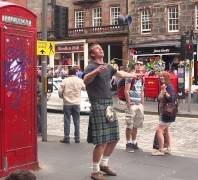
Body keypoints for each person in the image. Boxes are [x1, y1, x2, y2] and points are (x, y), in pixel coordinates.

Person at [83, 43, 139, 180]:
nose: (100, 49)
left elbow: (121, 73)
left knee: (114, 138)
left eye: (101, 48)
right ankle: (95, 171)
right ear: (92, 54)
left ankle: (104, 164)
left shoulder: (108, 66)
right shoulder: (91, 66)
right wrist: (96, 71)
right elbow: (85, 79)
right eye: (97, 48)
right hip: (97, 104)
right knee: (101, 141)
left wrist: (134, 74)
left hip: (108, 103)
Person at [152, 71, 177, 156]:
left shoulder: (169, 86)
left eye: (163, 76)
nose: (161, 78)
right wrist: (162, 91)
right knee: (167, 130)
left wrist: (164, 91)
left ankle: (161, 150)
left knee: (159, 130)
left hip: (167, 113)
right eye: (160, 76)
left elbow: (172, 99)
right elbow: (159, 99)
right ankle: (168, 148)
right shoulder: (164, 86)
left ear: (167, 77)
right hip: (164, 112)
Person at [59, 67, 85, 144]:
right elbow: (84, 88)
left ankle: (66, 138)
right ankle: (77, 138)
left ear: (69, 73)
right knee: (77, 121)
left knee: (67, 121)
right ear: (75, 73)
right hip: (76, 103)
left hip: (67, 103)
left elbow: (60, 91)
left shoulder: (65, 80)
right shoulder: (80, 81)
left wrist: (63, 97)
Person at [124, 60, 144, 153]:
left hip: (139, 104)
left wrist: (142, 103)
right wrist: (128, 102)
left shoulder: (142, 78)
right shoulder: (130, 76)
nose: (139, 66)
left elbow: (142, 91)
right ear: (134, 66)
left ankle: (134, 142)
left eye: (140, 64)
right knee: (129, 125)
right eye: (137, 64)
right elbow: (126, 90)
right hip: (132, 104)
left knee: (136, 125)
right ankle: (128, 143)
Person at [36, 68, 42, 136]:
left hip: (38, 102)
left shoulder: (38, 83)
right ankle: (40, 130)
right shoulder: (40, 83)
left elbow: (39, 93)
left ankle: (40, 130)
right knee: (39, 116)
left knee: (38, 116)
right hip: (40, 102)